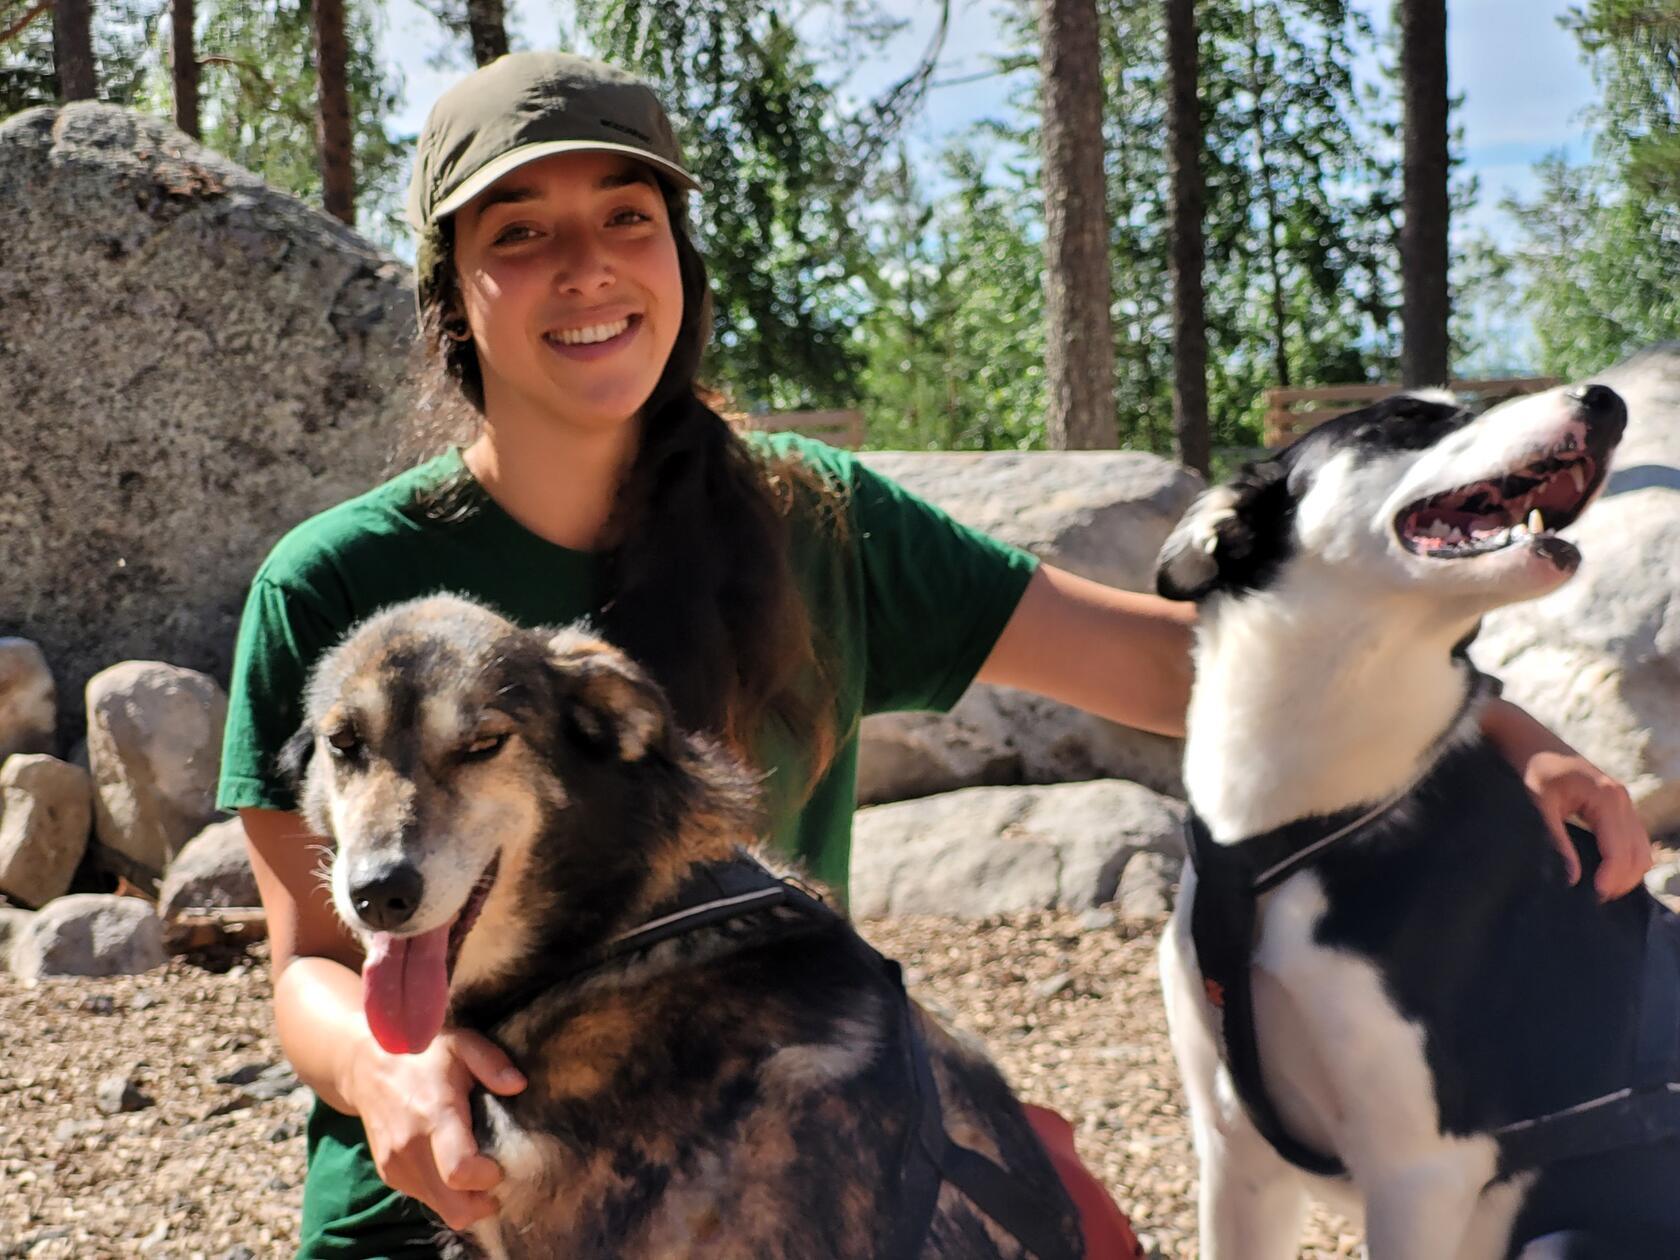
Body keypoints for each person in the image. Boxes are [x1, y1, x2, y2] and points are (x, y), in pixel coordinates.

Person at [217, 51, 1653, 1259]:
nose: (586, 268)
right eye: (518, 231)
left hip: (787, 1161)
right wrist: (384, 1068)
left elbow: (1186, 665)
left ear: (680, 257)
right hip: (454, 1201)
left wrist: (1505, 733)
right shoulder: (337, 586)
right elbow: (303, 964)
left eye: (628, 217)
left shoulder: (814, 521)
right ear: (451, 286)